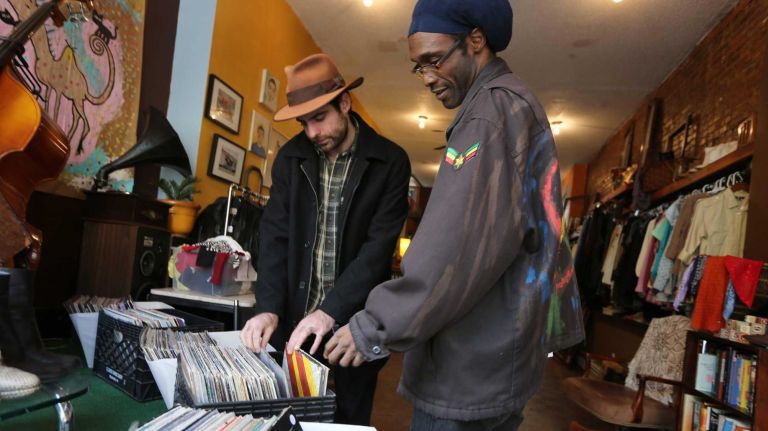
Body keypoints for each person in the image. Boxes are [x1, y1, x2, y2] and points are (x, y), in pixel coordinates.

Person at [323, 1, 585, 430]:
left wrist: (374, 325)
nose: (427, 78)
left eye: (434, 60)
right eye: (418, 66)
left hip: (470, 367)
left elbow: (455, 244)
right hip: (495, 359)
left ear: (476, 41)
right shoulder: (510, 107)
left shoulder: (490, 114)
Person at [240, 53, 411, 426]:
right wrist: (267, 306)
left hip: (354, 326)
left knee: (347, 418)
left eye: (320, 118)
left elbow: (377, 250)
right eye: (305, 122)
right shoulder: (289, 159)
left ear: (345, 103)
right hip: (295, 326)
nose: (313, 133)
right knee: (289, 418)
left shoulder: (392, 162)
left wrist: (328, 311)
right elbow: (275, 238)